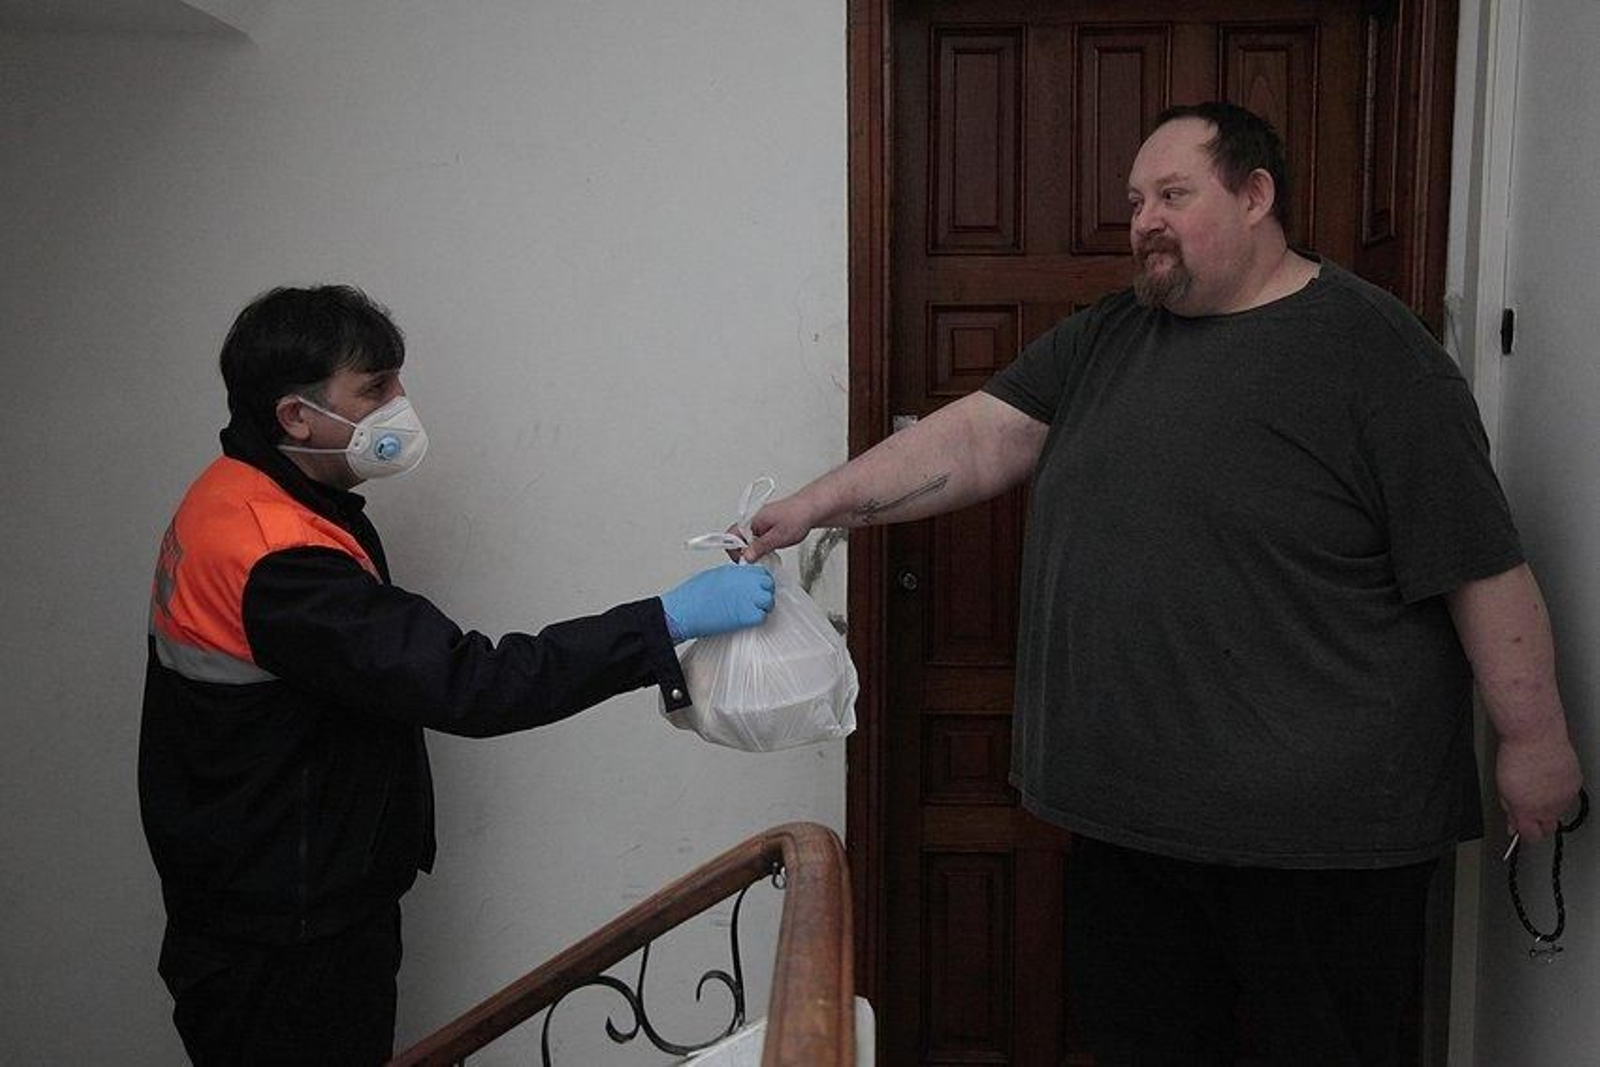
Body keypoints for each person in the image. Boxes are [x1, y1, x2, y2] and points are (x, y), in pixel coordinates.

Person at [743, 102, 1583, 1064]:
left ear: (1256, 195)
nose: (1144, 218)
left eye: (1174, 194)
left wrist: (1535, 741)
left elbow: (1479, 564)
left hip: (1323, 846)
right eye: (1137, 200)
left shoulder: (1377, 355)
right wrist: (817, 505)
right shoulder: (1109, 335)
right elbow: (979, 436)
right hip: (1130, 827)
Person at [139, 285, 774, 1066]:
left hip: (263, 897)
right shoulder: (281, 561)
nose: (399, 407)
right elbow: (473, 683)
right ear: (295, 416)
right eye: (372, 391)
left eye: (397, 382)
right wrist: (662, 622)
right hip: (286, 938)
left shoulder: (237, 494)